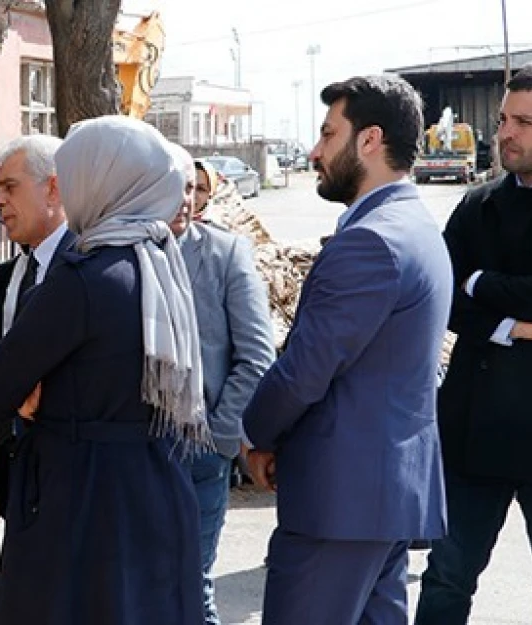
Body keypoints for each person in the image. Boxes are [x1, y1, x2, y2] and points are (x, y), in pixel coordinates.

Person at [0, 115, 207, 624]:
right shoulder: (159, 260)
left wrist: (35, 391)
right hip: (154, 482)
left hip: (81, 496)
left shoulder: (85, 277)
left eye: (74, 174)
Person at [240, 75, 452, 624]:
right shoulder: (418, 228)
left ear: (369, 140)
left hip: (341, 505)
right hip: (381, 501)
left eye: (328, 134)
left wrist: (255, 432)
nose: (314, 151)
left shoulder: (371, 239)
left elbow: (304, 370)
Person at [415, 64, 532, 625]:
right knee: (446, 580)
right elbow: (445, 296)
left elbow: (470, 287)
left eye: (525, 123)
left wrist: (482, 283)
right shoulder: (476, 205)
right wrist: (509, 325)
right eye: (505, 119)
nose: (506, 132)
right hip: (474, 435)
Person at [170, 148, 276, 625]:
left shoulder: (226, 253)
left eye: (194, 190)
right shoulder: (126, 252)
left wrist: (219, 437)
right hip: (133, 453)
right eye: (177, 188)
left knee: (193, 588)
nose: (186, 200)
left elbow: (256, 353)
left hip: (200, 453)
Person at [0, 133, 73, 518]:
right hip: (12, 458)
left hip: (64, 460)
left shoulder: (85, 268)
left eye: (9, 188)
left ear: (53, 189)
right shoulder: (8, 274)